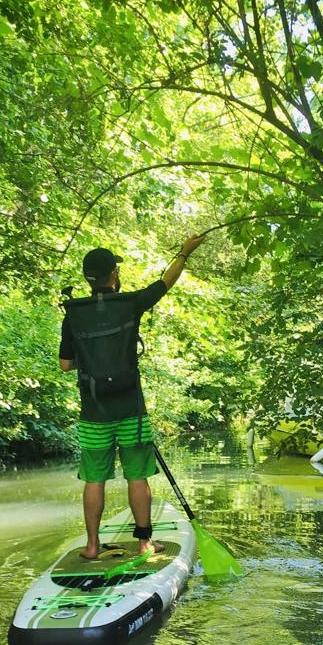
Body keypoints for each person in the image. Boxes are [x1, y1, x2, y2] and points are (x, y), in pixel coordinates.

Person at [59, 235, 206, 560]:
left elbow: (65, 365)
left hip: (94, 413)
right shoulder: (129, 303)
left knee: (94, 478)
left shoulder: (73, 314)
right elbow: (165, 282)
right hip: (130, 409)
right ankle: (144, 543)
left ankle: (92, 546)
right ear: (114, 275)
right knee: (137, 475)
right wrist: (184, 251)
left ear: (88, 279)